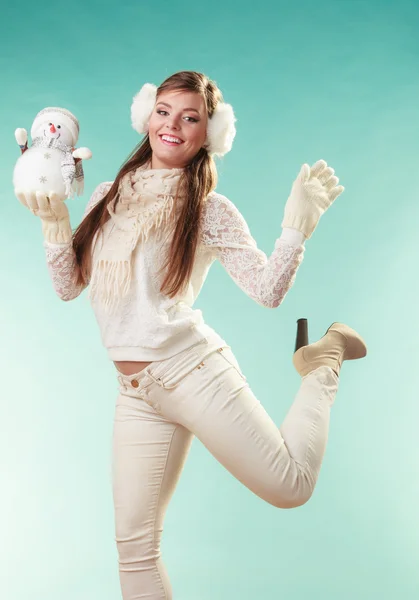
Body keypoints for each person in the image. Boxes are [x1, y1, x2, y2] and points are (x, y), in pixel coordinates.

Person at [14, 71, 367, 600]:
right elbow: (68, 287)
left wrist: (297, 227)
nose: (172, 125)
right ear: (146, 116)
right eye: (163, 111)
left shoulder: (207, 209)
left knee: (291, 487)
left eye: (190, 117)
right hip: (136, 394)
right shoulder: (109, 195)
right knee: (134, 550)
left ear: (208, 134)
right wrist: (54, 224)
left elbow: (267, 291)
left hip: (193, 372)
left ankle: (324, 361)